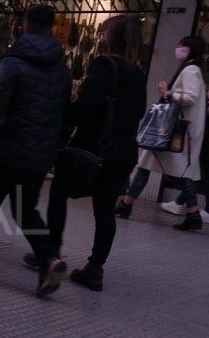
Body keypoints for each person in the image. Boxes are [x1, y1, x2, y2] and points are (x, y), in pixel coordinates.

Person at [25, 16, 147, 292]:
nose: (101, 34)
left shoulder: (104, 66)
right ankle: (95, 268)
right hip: (122, 152)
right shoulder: (137, 72)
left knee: (58, 193)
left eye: (105, 31)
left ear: (111, 37)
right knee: (105, 211)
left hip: (91, 149)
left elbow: (87, 105)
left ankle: (51, 252)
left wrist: (64, 110)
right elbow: (139, 111)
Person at [0, 4, 71, 298]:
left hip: (3, 153)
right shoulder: (61, 69)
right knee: (26, 209)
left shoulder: (12, 63)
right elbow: (62, 116)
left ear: (24, 25)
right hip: (37, 156)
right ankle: (48, 258)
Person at [116, 36, 207, 232]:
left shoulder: (190, 70)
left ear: (189, 49)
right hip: (175, 132)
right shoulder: (193, 69)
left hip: (175, 133)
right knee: (152, 166)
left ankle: (127, 204)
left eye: (182, 45)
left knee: (171, 171)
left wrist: (168, 93)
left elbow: (190, 98)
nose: (178, 48)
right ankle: (126, 203)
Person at [161, 45, 209, 225]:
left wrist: (198, 112)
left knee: (204, 168)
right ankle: (182, 202)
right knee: (202, 166)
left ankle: (208, 209)